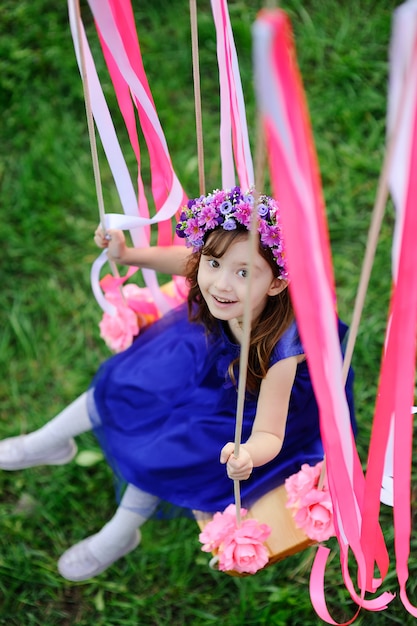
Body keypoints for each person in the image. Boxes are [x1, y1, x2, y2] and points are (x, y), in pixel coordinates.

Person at [0, 186, 355, 582]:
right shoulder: (223, 289)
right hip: (208, 354)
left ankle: (119, 533)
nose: (220, 284)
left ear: (275, 285)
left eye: (243, 273)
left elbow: (270, 430)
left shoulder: (281, 352)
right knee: (129, 382)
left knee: (171, 451)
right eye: (215, 264)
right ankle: (47, 441)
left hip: (252, 395)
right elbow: (187, 260)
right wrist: (128, 255)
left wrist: (250, 453)